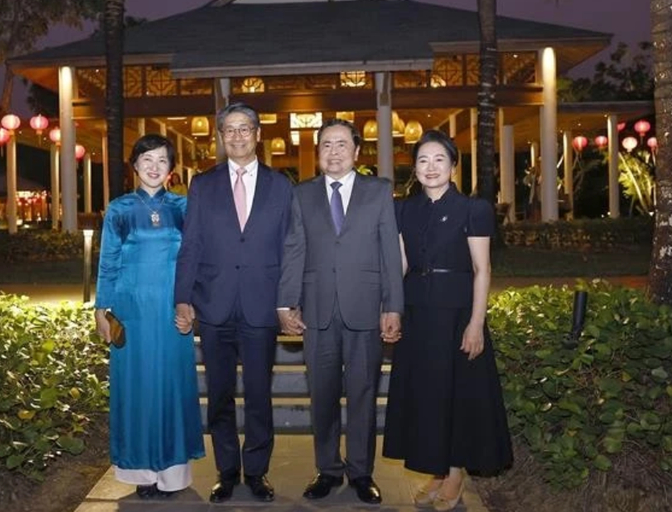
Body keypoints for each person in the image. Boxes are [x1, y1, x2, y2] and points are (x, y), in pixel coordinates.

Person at [382, 130, 513, 511]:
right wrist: (391, 307)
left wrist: (476, 323)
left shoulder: (474, 210)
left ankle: (455, 473)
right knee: (425, 395)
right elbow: (402, 262)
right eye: (423, 160)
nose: (431, 167)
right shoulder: (403, 209)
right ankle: (436, 470)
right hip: (417, 312)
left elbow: (481, 268)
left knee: (456, 395)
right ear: (415, 168)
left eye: (439, 159)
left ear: (454, 166)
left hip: (457, 314)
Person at [277, 118, 403, 505]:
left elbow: (388, 254)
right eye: (326, 145)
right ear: (318, 153)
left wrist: (393, 306)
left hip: (365, 308)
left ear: (356, 151)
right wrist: (286, 302)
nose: (333, 152)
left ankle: (362, 473)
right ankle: (328, 470)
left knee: (363, 393)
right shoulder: (302, 194)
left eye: (341, 145)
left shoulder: (378, 191)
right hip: (317, 311)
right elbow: (295, 249)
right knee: (324, 394)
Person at [174, 102, 292, 503]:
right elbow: (191, 245)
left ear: (258, 134)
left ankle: (256, 472)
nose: (237, 136)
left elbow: (290, 248)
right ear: (221, 138)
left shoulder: (281, 185)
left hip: (262, 305)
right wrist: (183, 298)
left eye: (245, 129)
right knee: (220, 394)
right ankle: (227, 472)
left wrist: (289, 301)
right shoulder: (202, 185)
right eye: (229, 130)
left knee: (259, 393)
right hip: (214, 305)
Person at [94, 134, 205, 500]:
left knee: (172, 386)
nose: (154, 167)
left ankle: (173, 473)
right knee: (137, 388)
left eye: (161, 160)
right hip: (132, 311)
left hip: (173, 311)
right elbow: (108, 261)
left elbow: (195, 261)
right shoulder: (119, 209)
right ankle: (142, 471)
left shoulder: (183, 207)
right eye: (147, 159)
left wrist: (191, 305)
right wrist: (101, 309)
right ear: (135, 165)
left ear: (171, 169)